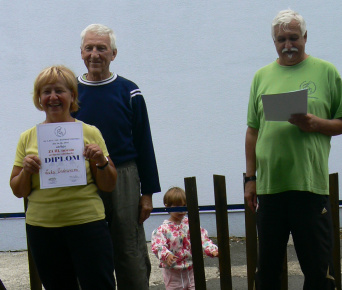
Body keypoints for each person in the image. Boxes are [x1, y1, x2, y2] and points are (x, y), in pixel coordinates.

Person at [244, 9, 342, 290]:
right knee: (266, 272)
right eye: (281, 39)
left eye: (293, 38)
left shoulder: (326, 72)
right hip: (270, 187)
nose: (288, 45)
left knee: (317, 271)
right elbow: (253, 131)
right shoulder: (261, 76)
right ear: (274, 42)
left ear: (305, 37)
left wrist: (315, 123)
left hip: (309, 186)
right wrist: (250, 179)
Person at [10, 65, 117, 290]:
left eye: (60, 90)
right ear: (39, 98)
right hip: (43, 228)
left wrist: (101, 161)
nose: (53, 97)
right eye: (46, 91)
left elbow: (109, 184)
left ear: (72, 96)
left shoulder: (90, 132)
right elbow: (18, 190)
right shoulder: (27, 137)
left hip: (87, 223)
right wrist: (26, 171)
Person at [71, 23, 161, 289]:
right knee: (89, 244)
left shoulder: (129, 91)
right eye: (89, 48)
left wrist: (147, 194)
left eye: (102, 48)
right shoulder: (70, 93)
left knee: (128, 245)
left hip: (124, 174)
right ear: (81, 53)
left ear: (114, 53)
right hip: (84, 177)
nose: (95, 54)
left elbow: (144, 143)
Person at [151, 187, 218, 290]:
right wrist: (166, 255)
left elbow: (202, 238)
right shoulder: (163, 229)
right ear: (168, 206)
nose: (182, 210)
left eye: (184, 206)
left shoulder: (190, 224)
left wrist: (212, 249)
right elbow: (158, 245)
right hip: (173, 271)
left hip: (191, 268)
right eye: (177, 206)